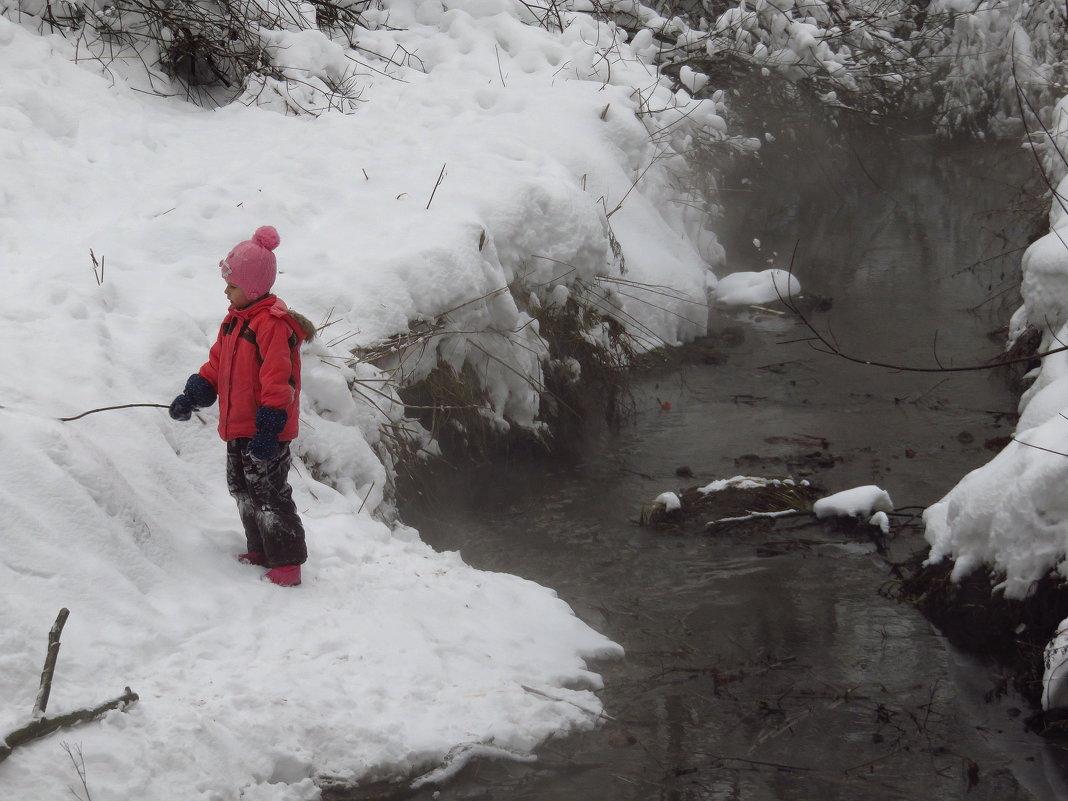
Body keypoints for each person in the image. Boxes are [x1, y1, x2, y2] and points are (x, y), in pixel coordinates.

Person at [169, 225, 316, 587]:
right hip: (239, 427)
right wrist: (194, 394)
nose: (226, 290)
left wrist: (269, 428)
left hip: (267, 429)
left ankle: (287, 561)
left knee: (269, 492)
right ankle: (262, 548)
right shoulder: (234, 322)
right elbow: (217, 366)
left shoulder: (272, 326)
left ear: (252, 288)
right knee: (242, 488)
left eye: (232, 285)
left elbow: (279, 381)